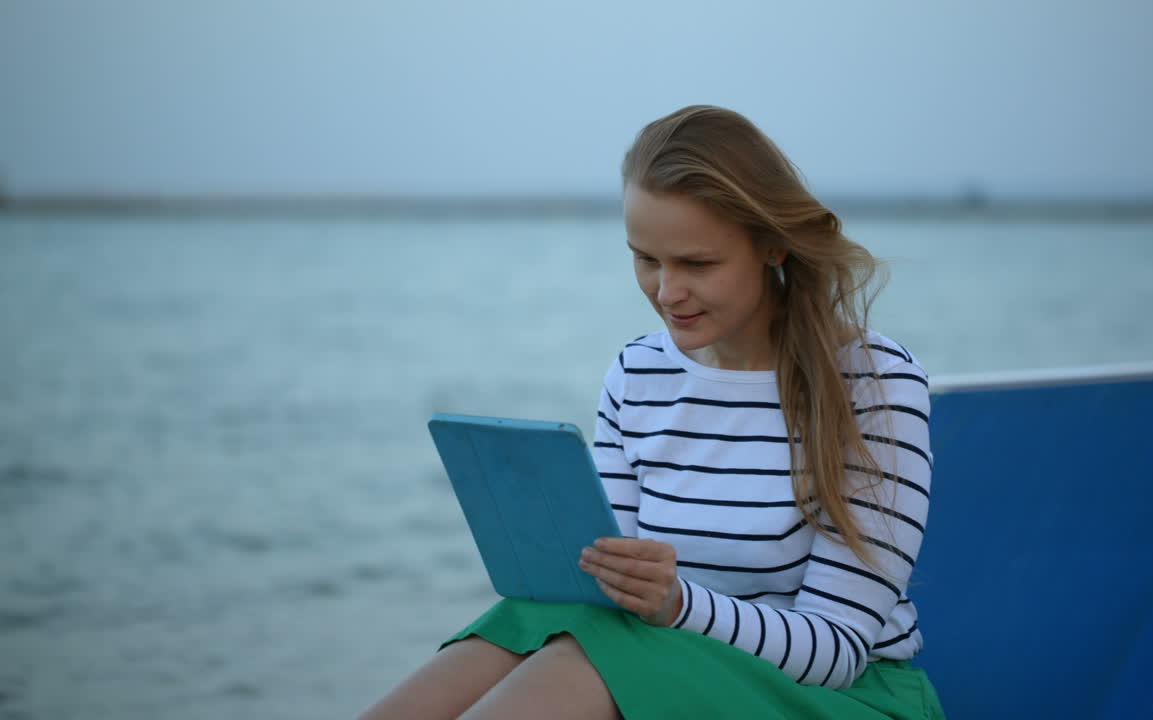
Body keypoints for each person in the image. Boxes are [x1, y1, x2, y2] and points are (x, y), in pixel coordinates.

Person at [359, 105, 944, 720]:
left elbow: (838, 650)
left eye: (697, 264)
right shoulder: (639, 373)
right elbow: (612, 590)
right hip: (669, 653)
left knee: (581, 659)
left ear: (773, 245)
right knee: (529, 616)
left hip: (840, 698)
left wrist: (680, 605)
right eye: (646, 259)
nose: (666, 293)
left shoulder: (873, 385)